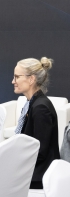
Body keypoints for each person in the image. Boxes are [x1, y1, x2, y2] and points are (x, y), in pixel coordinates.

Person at [12, 57, 60, 189]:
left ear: (31, 79)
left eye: (16, 77)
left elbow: (39, 152)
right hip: (31, 170)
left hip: (37, 175)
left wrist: (12, 162)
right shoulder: (32, 103)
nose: (13, 81)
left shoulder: (40, 108)